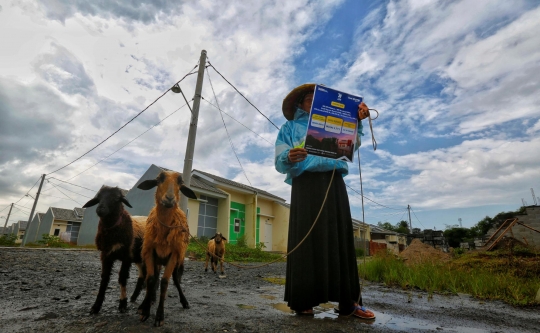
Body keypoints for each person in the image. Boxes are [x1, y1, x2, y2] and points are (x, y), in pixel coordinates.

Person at [274, 83, 375, 319]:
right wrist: (288, 155)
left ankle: (348, 303)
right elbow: (279, 161)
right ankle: (303, 302)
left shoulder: (336, 123)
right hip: (305, 185)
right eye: (309, 99)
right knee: (306, 239)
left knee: (339, 238)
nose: (314, 102)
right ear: (299, 104)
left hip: (333, 181)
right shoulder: (288, 128)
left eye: (317, 99)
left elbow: (352, 145)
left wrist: (357, 121)